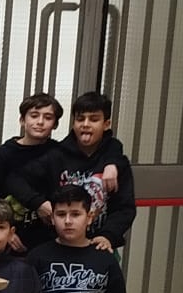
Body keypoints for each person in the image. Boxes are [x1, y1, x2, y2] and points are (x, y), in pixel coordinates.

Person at [35, 90, 136, 252]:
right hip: (57, 245)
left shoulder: (116, 161)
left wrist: (108, 236)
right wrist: (38, 202)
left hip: (99, 245)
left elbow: (125, 208)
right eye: (80, 119)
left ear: (106, 124)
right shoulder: (55, 156)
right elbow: (18, 179)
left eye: (94, 119)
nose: (86, 124)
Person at [0, 91, 62, 250]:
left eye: (48, 117)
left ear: (55, 124)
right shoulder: (5, 153)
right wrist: (4, 231)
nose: (40, 122)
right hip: (12, 234)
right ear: (22, 120)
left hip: (48, 236)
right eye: (34, 115)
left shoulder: (58, 152)